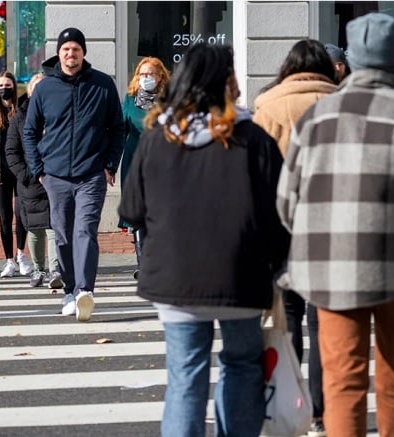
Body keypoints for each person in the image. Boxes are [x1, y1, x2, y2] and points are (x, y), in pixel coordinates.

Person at [119, 42, 288, 437]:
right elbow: (278, 211)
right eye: (232, 76)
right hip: (241, 272)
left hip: (175, 275)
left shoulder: (159, 137)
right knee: (243, 364)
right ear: (222, 82)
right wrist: (277, 264)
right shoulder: (252, 138)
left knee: (185, 373)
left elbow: (130, 210)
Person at [277, 13, 394, 436]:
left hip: (330, 267)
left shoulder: (317, 119)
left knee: (342, 379)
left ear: (352, 60)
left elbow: (287, 202)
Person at [253, 38, 337, 437]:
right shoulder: (341, 102)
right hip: (330, 227)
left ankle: (294, 402)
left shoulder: (267, 105)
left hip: (280, 227)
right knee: (324, 324)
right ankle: (321, 412)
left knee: (288, 319)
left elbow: (254, 173)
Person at [23, 27, 125, 321]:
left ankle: (85, 291)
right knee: (64, 234)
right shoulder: (44, 89)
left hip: (91, 173)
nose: (71, 54)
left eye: (76, 49)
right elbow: (29, 132)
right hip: (55, 176)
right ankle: (69, 290)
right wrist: (39, 170)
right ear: (59, 53)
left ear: (83, 53)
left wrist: (109, 165)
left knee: (85, 231)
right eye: (66, 49)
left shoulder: (103, 85)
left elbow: (117, 129)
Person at [6, 72, 64, 289]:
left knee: (53, 226)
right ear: (30, 91)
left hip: (55, 178)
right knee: (35, 227)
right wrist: (27, 174)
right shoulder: (19, 118)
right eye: (36, 87)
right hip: (30, 181)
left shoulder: (57, 113)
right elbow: (11, 151)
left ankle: (55, 269)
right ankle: (38, 269)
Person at [118, 56, 170, 280]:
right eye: (143, 74)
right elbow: (120, 130)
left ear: (161, 77)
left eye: (151, 74)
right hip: (134, 161)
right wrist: (109, 163)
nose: (147, 78)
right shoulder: (130, 101)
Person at [0, 71, 32, 278]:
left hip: (20, 167)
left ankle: (21, 254)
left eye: (7, 85)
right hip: (0, 168)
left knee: (21, 213)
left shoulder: (21, 109)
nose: (3, 89)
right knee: (4, 216)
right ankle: (8, 259)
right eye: (0, 86)